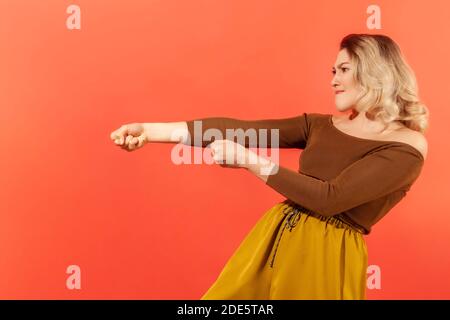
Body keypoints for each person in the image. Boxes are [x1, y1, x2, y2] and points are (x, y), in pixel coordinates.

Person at [109, 34, 429, 299]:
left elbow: (330, 198)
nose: (334, 81)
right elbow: (242, 130)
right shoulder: (320, 125)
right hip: (271, 240)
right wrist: (150, 131)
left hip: (324, 257)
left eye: (343, 70)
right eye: (333, 72)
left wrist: (249, 161)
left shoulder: (407, 147)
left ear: (374, 71)